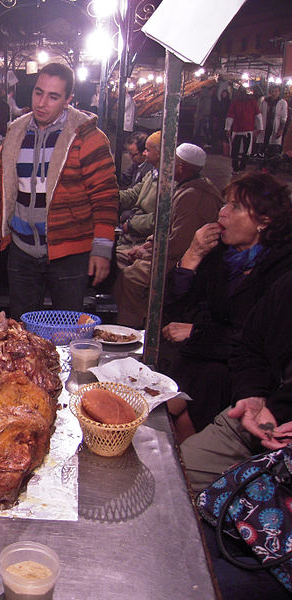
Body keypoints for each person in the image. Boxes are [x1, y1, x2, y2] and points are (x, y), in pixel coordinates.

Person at [0, 62, 118, 319]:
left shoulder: (87, 137)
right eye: (38, 92)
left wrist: (101, 249)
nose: (41, 103)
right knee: (22, 330)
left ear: (68, 100)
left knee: (68, 327)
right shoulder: (16, 132)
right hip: (21, 249)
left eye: (53, 96)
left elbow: (106, 197)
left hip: (69, 252)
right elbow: (3, 191)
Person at [161, 173, 292, 442]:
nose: (223, 212)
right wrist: (192, 255)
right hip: (204, 355)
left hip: (247, 373)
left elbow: (255, 336)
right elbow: (175, 309)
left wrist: (197, 332)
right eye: (225, 204)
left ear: (263, 221)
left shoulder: (281, 269)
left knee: (202, 386)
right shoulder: (221, 255)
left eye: (236, 206)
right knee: (179, 385)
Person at [181, 267, 292, 493]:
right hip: (254, 424)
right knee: (165, 480)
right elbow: (249, 345)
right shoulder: (286, 285)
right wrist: (253, 393)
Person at [113, 143, 222, 328]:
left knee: (131, 278)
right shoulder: (185, 188)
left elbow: (179, 245)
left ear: (181, 167)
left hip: (178, 260)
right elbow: (168, 230)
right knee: (119, 259)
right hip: (166, 250)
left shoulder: (193, 197)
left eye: (171, 162)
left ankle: (134, 328)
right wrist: (147, 245)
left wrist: (145, 253)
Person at [115, 131, 161, 269]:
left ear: (159, 153)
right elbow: (133, 194)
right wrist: (109, 197)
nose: (145, 154)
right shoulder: (151, 174)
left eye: (147, 150)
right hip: (130, 237)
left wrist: (130, 224)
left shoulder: (168, 183)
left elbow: (160, 219)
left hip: (140, 241)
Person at [226, 87, 262, 173]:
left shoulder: (250, 102)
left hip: (245, 130)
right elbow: (230, 115)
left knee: (244, 151)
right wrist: (227, 128)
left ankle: (240, 168)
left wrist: (227, 128)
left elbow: (258, 115)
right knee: (238, 150)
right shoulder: (237, 102)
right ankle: (237, 168)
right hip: (240, 130)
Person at [259, 85, 288, 158]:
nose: (274, 93)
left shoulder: (282, 103)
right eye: (272, 91)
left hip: (275, 127)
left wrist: (281, 129)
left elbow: (283, 117)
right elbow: (260, 114)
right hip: (265, 127)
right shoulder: (264, 102)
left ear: (279, 92)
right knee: (263, 146)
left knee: (273, 148)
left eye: (276, 91)